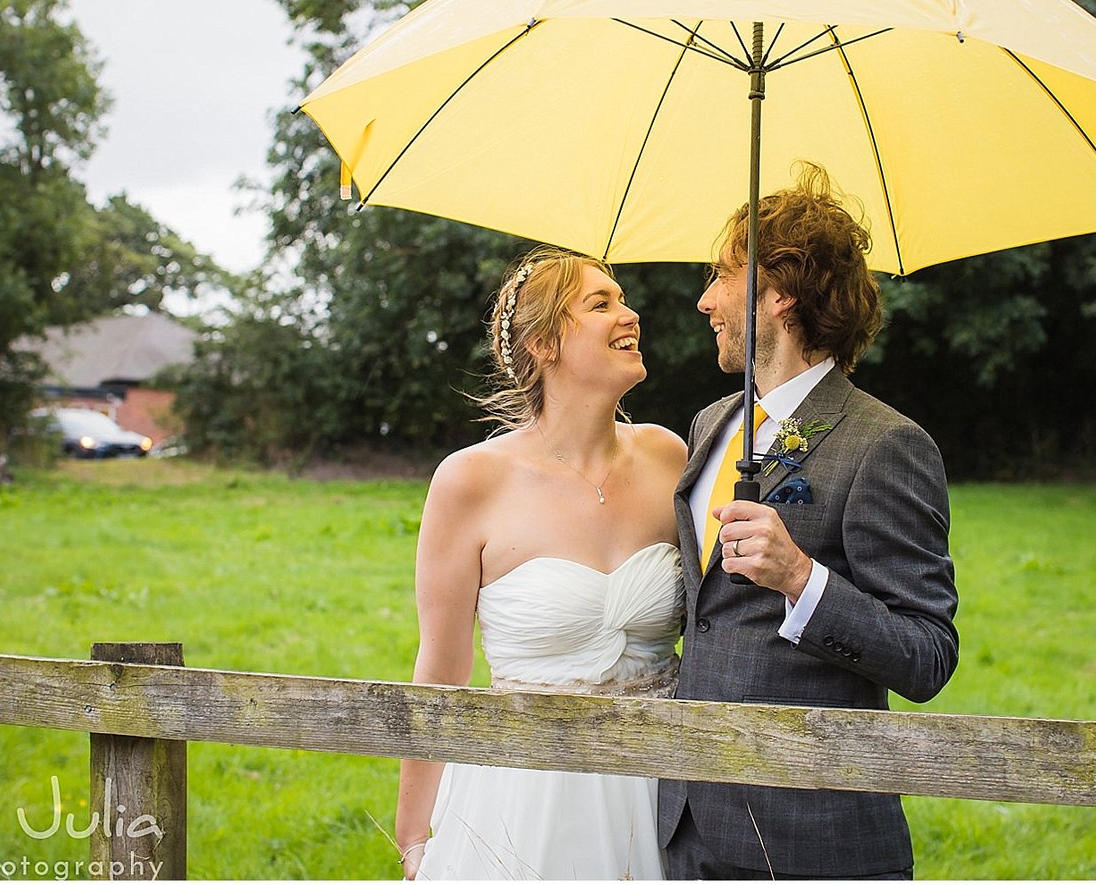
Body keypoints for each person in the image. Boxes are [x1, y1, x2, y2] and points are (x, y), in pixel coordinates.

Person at [657, 162, 959, 880]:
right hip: (686, 816)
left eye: (722, 276)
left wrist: (801, 577)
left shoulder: (884, 443)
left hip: (810, 834)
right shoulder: (711, 423)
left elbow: (927, 653)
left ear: (779, 292)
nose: (705, 301)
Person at [398, 246, 689, 881]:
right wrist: (414, 832)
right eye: (601, 304)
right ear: (543, 344)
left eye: (623, 299)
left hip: (664, 786)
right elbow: (442, 670)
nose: (630, 314)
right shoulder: (470, 481)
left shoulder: (670, 458)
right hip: (527, 792)